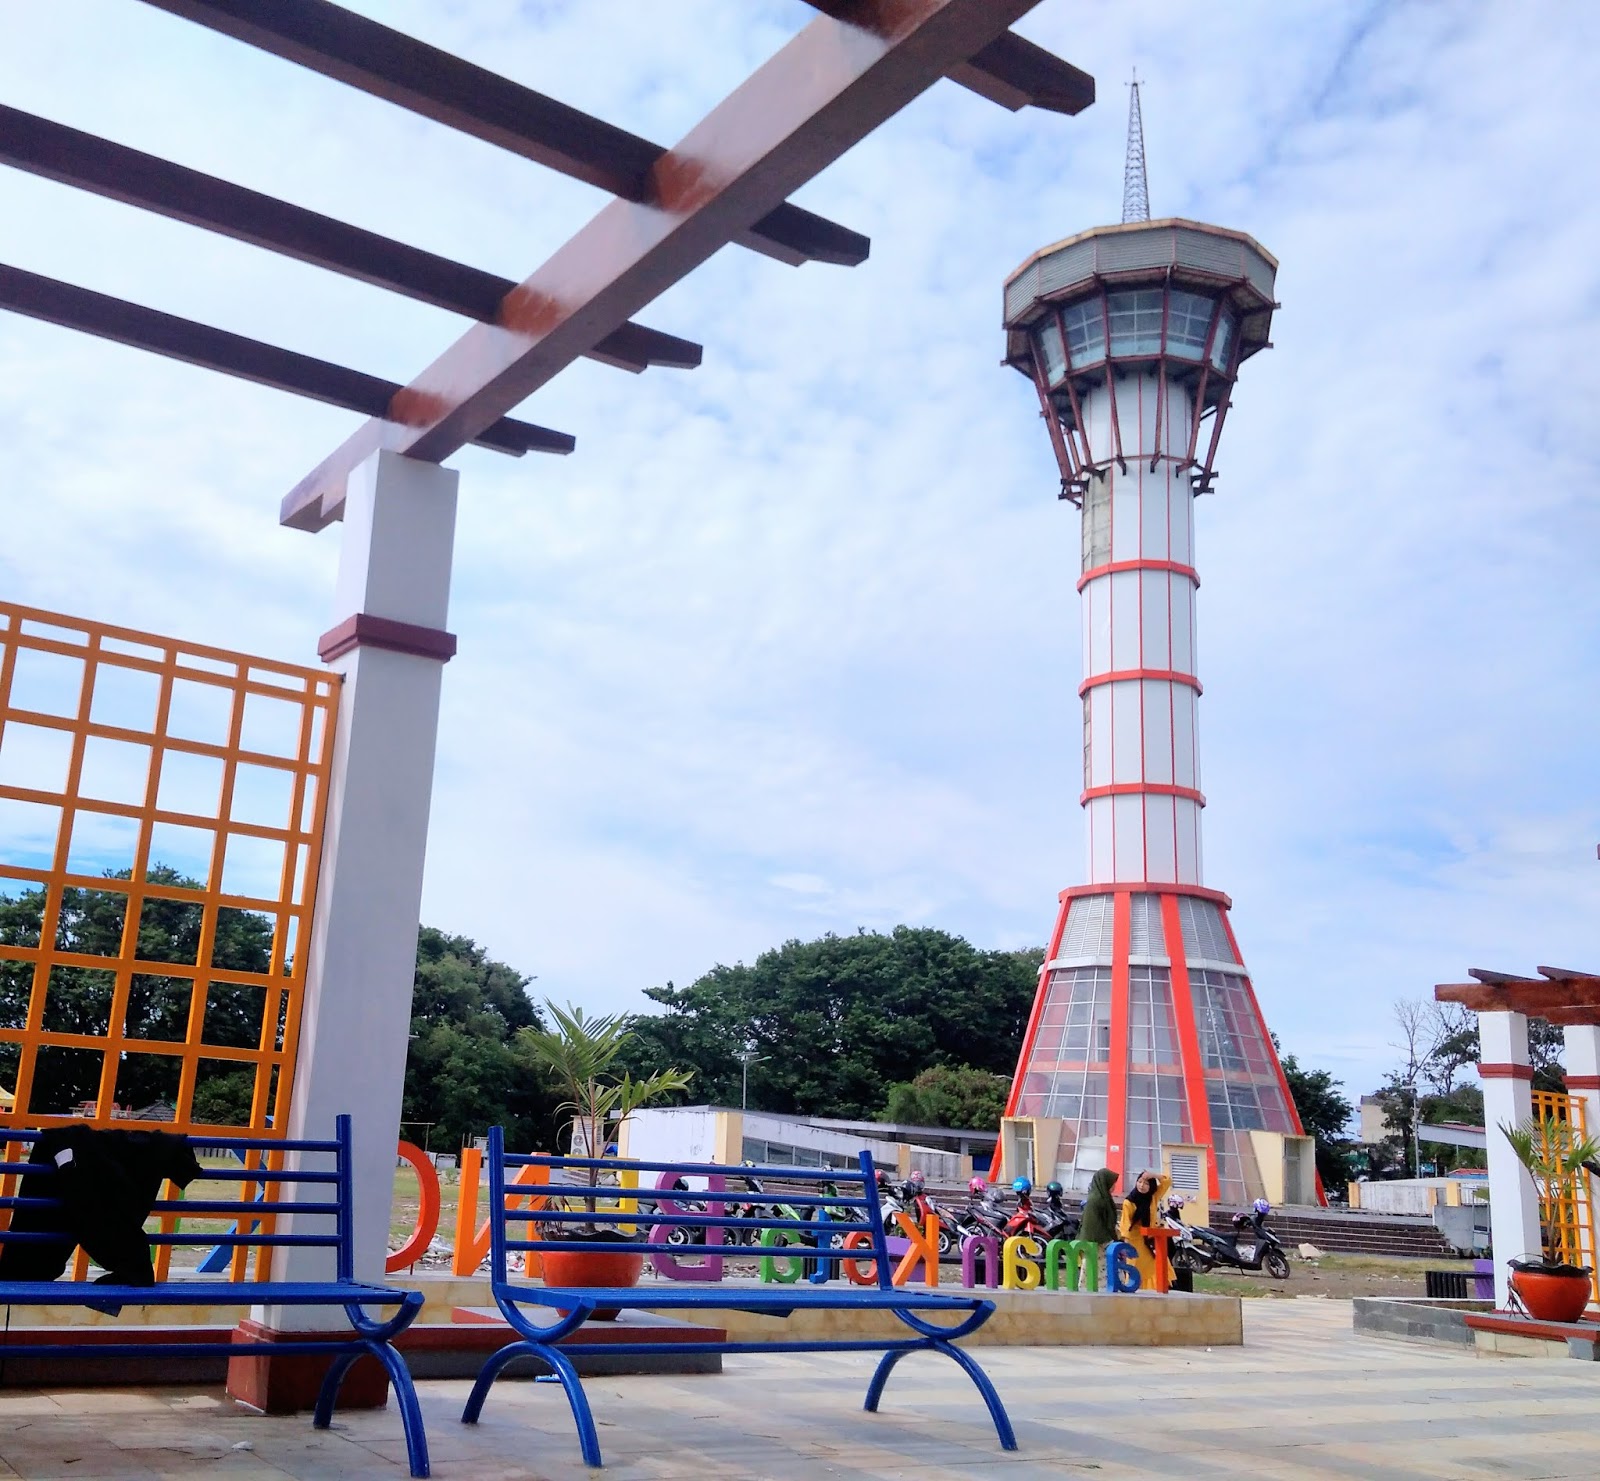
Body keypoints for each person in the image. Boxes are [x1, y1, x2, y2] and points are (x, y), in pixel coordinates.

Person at [1118, 1167, 1173, 1288]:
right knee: (1136, 1269)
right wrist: (1127, 1246)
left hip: (1150, 1240)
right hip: (1135, 1241)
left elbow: (1167, 1181)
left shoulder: (1153, 1197)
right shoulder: (1129, 1202)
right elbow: (1125, 1225)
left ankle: (1156, 1290)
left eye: (1146, 1183)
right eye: (1140, 1181)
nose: (1142, 1185)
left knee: (1157, 1265)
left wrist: (1153, 1175)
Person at [1078, 1167, 1119, 1245]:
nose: (1114, 1186)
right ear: (1105, 1182)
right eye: (1113, 1183)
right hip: (1095, 1243)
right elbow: (1105, 1223)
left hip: (1090, 1241)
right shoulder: (1099, 1199)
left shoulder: (1101, 1196)